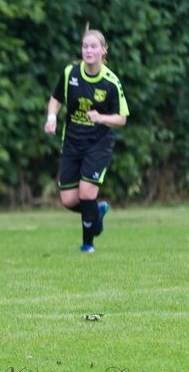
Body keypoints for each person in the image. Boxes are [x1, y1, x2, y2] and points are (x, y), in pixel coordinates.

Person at [44, 28, 129, 252]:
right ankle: (96, 212)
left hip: (98, 144)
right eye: (85, 46)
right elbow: (55, 99)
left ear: (103, 50)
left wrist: (101, 117)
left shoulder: (111, 82)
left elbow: (121, 119)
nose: (88, 50)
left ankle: (87, 245)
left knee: (86, 193)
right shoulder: (70, 73)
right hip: (72, 141)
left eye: (93, 47)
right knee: (69, 200)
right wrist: (52, 117)